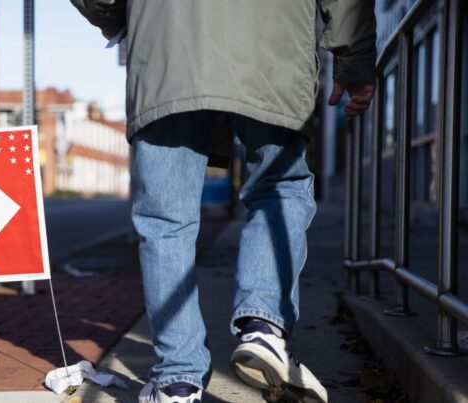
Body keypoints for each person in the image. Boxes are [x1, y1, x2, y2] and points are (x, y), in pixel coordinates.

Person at [70, 1, 376, 402]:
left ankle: (177, 382)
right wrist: (354, 61)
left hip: (168, 48)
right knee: (278, 188)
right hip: (274, 47)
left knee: (165, 220)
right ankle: (264, 327)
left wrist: (121, 17)